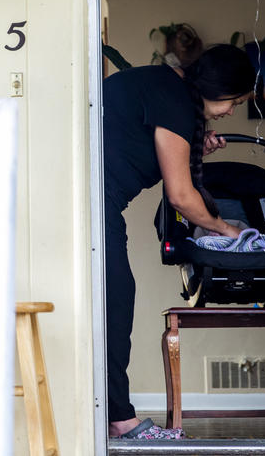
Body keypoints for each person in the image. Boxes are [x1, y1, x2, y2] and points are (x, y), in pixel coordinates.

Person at [103, 44, 256, 439]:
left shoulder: (165, 90)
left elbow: (141, 143)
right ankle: (119, 418)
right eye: (234, 102)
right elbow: (182, 197)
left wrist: (193, 141)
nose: (230, 111)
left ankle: (112, 413)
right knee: (115, 302)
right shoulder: (173, 98)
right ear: (218, 88)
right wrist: (226, 229)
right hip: (93, 202)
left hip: (93, 202)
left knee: (114, 300)